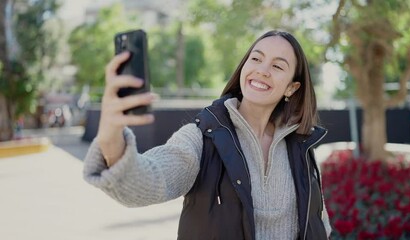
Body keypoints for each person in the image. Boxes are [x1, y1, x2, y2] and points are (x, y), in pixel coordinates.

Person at [83, 30, 332, 240]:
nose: (263, 70)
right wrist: (110, 140)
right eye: (256, 59)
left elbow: (320, 222)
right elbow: (151, 180)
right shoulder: (201, 137)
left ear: (292, 87)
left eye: (277, 66)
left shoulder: (301, 146)